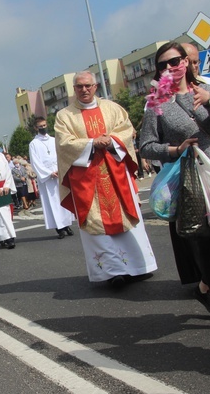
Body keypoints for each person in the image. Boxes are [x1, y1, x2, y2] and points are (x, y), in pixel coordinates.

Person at [139, 45, 210, 335]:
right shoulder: (156, 103)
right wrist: (174, 149)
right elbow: (146, 146)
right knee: (206, 241)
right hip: (190, 179)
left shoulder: (205, 91)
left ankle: (204, 286)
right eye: (162, 65)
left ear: (187, 62)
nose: (170, 68)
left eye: (175, 61)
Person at [56, 71, 157, 289]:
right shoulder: (65, 116)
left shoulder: (112, 108)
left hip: (115, 173)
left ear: (96, 86)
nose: (84, 90)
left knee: (127, 219)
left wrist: (110, 140)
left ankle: (139, 267)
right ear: (74, 89)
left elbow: (127, 130)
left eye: (88, 85)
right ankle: (112, 272)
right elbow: (65, 144)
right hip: (87, 180)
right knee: (96, 225)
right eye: (79, 87)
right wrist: (93, 143)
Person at [29, 116, 75, 239]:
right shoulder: (34, 144)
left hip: (58, 173)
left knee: (62, 199)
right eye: (40, 126)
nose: (43, 128)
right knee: (52, 202)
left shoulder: (54, 140)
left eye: (44, 125)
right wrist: (49, 173)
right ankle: (59, 228)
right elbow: (35, 162)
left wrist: (60, 169)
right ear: (36, 128)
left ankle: (66, 224)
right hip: (47, 177)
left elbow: (61, 155)